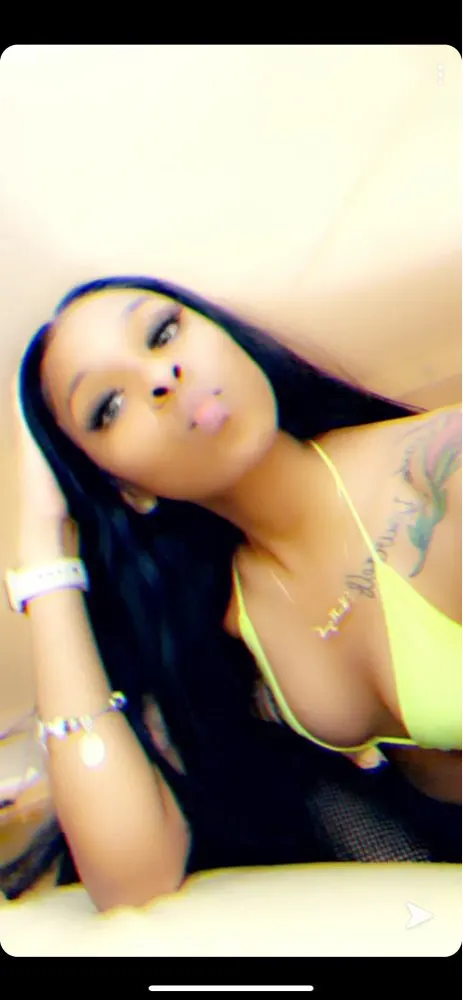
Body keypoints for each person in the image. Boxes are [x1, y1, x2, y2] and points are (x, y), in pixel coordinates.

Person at [2, 276, 461, 911]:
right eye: (108, 406)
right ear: (128, 490)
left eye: (163, 332)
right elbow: (130, 878)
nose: (161, 378)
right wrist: (44, 551)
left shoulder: (439, 470)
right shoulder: (225, 631)